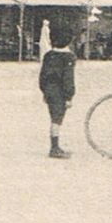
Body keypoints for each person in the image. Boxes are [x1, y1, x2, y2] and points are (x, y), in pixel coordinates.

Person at [38, 21, 78, 159]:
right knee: (57, 119)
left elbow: (42, 76)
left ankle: (55, 147)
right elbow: (68, 79)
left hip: (48, 90)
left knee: (53, 118)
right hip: (60, 92)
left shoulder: (48, 55)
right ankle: (54, 148)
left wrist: (44, 91)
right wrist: (69, 97)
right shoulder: (69, 57)